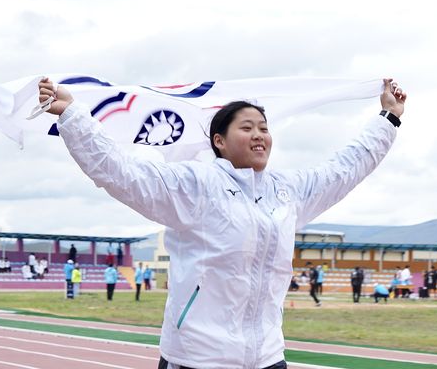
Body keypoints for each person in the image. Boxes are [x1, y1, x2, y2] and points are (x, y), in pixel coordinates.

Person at [38, 76, 406, 369]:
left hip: (267, 358)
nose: (259, 135)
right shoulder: (197, 185)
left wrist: (388, 119)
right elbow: (124, 174)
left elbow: (343, 169)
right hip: (199, 358)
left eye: (263, 127)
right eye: (247, 128)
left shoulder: (287, 192)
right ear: (220, 141)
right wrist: (72, 116)